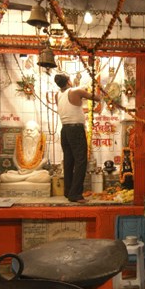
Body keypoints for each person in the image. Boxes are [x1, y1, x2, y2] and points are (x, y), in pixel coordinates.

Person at [54, 73, 100, 203]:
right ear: (69, 81)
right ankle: (75, 195)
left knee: (69, 161)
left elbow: (71, 108)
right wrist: (98, 90)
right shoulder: (75, 90)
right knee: (81, 161)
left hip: (65, 130)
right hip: (76, 130)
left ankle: (68, 191)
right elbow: (97, 98)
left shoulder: (58, 95)